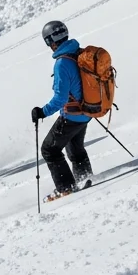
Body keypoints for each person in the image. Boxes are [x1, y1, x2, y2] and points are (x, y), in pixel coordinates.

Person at [31, 20, 93, 199]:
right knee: (75, 148)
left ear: (51, 41)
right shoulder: (77, 52)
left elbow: (61, 98)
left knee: (49, 149)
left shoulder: (62, 63)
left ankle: (66, 187)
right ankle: (84, 177)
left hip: (72, 115)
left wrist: (42, 112)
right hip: (86, 112)